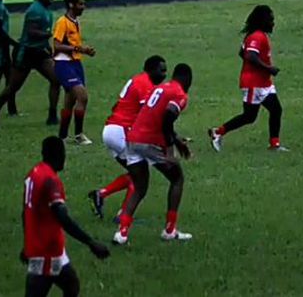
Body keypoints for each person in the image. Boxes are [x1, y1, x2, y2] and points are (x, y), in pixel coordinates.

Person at [113, 64, 194, 245]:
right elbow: (168, 117)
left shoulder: (161, 88)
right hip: (149, 142)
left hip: (132, 139)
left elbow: (156, 117)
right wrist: (170, 150)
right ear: (188, 80)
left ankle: (122, 233)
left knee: (139, 187)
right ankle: (170, 230)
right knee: (177, 178)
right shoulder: (179, 94)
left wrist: (178, 141)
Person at [22, 136, 109, 297]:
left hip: (45, 248)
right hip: (47, 251)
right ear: (58, 155)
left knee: (71, 284)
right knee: (39, 290)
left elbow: (26, 211)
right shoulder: (50, 181)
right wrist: (90, 242)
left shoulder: (34, 173)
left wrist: (27, 242)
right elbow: (62, 217)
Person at [88, 55, 167, 221]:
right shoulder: (145, 84)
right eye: (161, 71)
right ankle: (123, 216)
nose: (164, 75)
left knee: (135, 172)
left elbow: (118, 105)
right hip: (121, 131)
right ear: (151, 70)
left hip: (110, 129)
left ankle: (101, 194)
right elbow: (147, 114)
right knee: (140, 175)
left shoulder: (136, 80)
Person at [208, 5, 287, 152]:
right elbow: (250, 56)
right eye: (270, 20)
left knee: (274, 110)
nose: (273, 23)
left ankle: (274, 144)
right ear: (263, 21)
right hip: (254, 83)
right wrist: (268, 68)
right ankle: (218, 132)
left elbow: (242, 52)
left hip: (264, 82)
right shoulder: (257, 36)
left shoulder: (257, 35)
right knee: (250, 116)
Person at [0, 0, 60, 128]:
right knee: (13, 87)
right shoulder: (35, 10)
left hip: (39, 52)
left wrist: (47, 46)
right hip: (27, 53)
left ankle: (52, 115)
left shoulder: (45, 9)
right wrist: (50, 34)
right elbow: (31, 32)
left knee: (56, 79)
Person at [53, 0, 96, 145]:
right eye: (80, 4)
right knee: (82, 97)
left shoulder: (75, 21)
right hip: (63, 64)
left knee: (70, 101)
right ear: (71, 4)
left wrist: (85, 51)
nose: (83, 7)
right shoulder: (62, 22)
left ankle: (62, 136)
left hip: (76, 64)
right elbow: (57, 45)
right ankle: (79, 135)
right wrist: (79, 49)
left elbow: (73, 44)